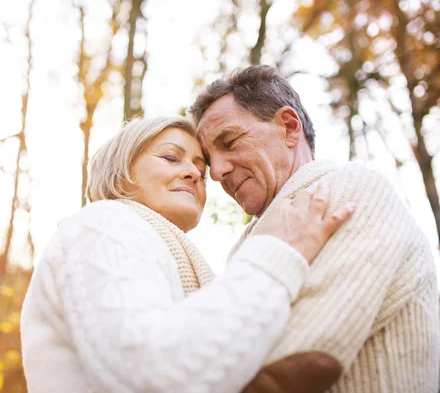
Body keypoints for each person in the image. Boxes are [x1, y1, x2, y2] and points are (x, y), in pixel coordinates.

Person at [20, 116, 355, 393]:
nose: (195, 173)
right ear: (121, 172)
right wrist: (278, 255)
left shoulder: (158, 250)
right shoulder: (104, 224)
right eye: (170, 157)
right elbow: (154, 372)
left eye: (200, 167)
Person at [189, 65, 440, 392]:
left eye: (230, 140)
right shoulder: (248, 242)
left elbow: (292, 361)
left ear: (289, 127)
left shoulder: (353, 190)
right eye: (210, 159)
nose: (217, 171)